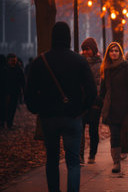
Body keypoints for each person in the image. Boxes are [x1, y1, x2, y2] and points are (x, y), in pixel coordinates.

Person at [25, 22, 97, 192]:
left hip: (49, 117)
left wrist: (37, 109)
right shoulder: (79, 61)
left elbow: (29, 92)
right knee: (73, 162)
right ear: (69, 37)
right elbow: (92, 91)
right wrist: (82, 108)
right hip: (72, 116)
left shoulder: (40, 61)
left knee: (51, 160)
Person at [100, 42, 128, 173]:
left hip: (125, 108)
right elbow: (103, 90)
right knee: (114, 135)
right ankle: (116, 162)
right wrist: (100, 106)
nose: (114, 53)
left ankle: (125, 150)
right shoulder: (107, 68)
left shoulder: (127, 67)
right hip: (111, 108)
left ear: (120, 53)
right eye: (111, 51)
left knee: (124, 134)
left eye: (116, 51)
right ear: (108, 54)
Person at [80, 38, 103, 164]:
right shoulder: (80, 63)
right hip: (82, 102)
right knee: (80, 129)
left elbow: (101, 83)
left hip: (95, 102)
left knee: (93, 129)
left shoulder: (100, 64)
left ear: (93, 49)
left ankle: (92, 154)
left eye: (87, 49)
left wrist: (98, 99)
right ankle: (80, 154)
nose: (85, 52)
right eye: (84, 49)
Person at [3, 53, 25, 129]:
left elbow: (22, 81)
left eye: (14, 60)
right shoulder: (4, 69)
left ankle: (9, 123)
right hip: (5, 92)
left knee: (12, 109)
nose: (14, 62)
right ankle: (3, 123)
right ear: (8, 60)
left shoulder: (18, 69)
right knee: (4, 108)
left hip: (15, 92)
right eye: (12, 60)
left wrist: (23, 89)